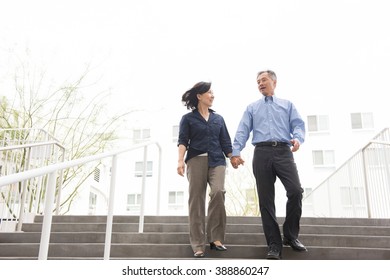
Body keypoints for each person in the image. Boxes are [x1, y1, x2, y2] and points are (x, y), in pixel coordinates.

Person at [230, 70, 307, 260]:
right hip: (262, 153)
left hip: (283, 152)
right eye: (257, 82)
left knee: (296, 191)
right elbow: (242, 131)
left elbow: (298, 125)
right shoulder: (252, 108)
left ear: (274, 81)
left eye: (263, 80)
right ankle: (274, 244)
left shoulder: (287, 105)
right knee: (266, 200)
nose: (260, 84)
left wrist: (297, 139)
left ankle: (290, 235)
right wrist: (235, 152)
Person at [177, 81, 232, 258]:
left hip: (217, 160)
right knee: (196, 201)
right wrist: (180, 161)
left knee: (218, 192)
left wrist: (234, 157)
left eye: (212, 92)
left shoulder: (219, 119)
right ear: (199, 96)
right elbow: (183, 140)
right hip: (196, 160)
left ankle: (216, 239)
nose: (212, 95)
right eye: (209, 92)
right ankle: (198, 244)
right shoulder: (188, 119)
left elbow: (226, 143)